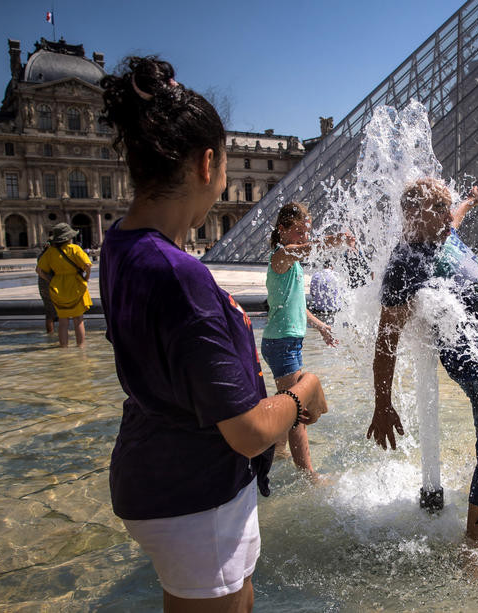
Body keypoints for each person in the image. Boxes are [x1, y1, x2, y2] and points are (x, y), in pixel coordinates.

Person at [98, 56, 329, 611]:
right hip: (194, 492)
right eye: (225, 164)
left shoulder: (120, 245)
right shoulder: (179, 276)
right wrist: (304, 394)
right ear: (207, 163)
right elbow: (247, 432)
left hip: (156, 467)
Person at [368, 178, 478, 545]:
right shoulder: (404, 266)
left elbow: (455, 217)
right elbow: (385, 342)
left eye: (447, 207)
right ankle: (475, 546)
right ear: (414, 215)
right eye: (439, 209)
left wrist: (470, 202)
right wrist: (383, 404)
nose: (448, 215)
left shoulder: (440, 232)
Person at [261, 201, 353, 478]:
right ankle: (309, 475)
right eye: (298, 231)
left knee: (287, 400)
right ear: (282, 229)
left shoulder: (293, 265)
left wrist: (321, 326)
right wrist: (336, 240)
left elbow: (297, 305)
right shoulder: (281, 256)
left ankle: (277, 452)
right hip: (282, 344)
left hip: (286, 342)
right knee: (296, 410)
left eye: (306, 231)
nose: (303, 237)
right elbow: (307, 249)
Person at [36, 222, 92, 347]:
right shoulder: (75, 249)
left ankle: (64, 348)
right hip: (76, 284)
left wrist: (50, 280)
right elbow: (87, 265)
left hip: (57, 286)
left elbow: (38, 270)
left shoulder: (50, 252)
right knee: (78, 319)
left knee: (63, 321)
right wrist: (86, 278)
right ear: (69, 237)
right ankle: (81, 347)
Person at [35, 241, 58, 334]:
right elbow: (38, 270)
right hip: (49, 284)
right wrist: (49, 279)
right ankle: (54, 332)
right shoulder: (49, 255)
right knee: (54, 311)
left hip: (44, 284)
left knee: (49, 311)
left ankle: (51, 332)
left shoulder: (42, 254)